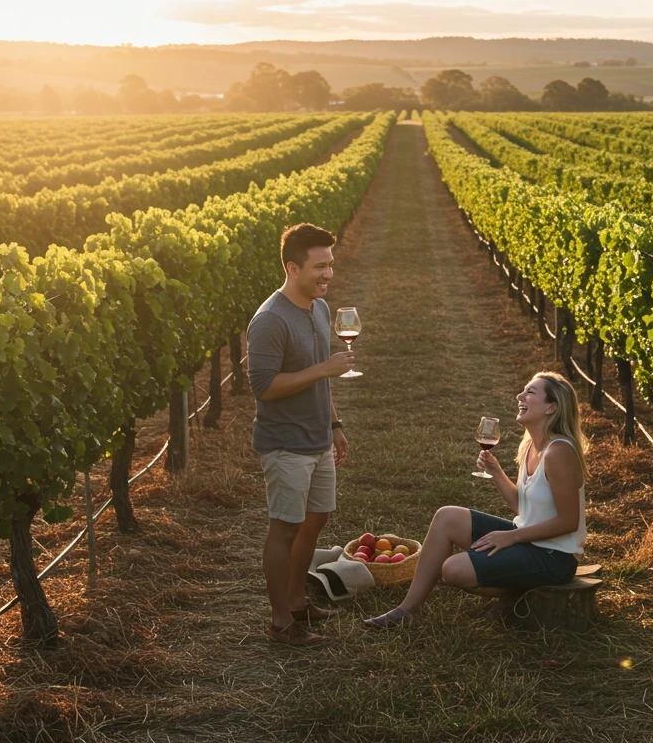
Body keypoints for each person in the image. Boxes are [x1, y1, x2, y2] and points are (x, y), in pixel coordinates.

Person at [364, 371, 587, 629]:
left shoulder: (559, 451)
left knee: (453, 571)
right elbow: (522, 507)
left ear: (552, 407)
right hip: (529, 539)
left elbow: (569, 521)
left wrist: (510, 537)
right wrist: (497, 472)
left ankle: (517, 593)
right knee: (446, 516)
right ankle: (408, 610)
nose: (520, 396)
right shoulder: (531, 445)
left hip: (554, 558)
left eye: (530, 392)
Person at [248, 223, 354, 647]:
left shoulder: (320, 308)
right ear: (292, 267)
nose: (328, 274)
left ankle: (296, 601)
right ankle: (280, 623)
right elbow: (265, 387)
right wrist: (325, 368)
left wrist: (335, 424)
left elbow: (316, 380)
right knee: (285, 528)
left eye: (331, 264)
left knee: (317, 518)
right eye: (319, 266)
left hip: (317, 436)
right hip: (285, 442)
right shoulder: (270, 320)